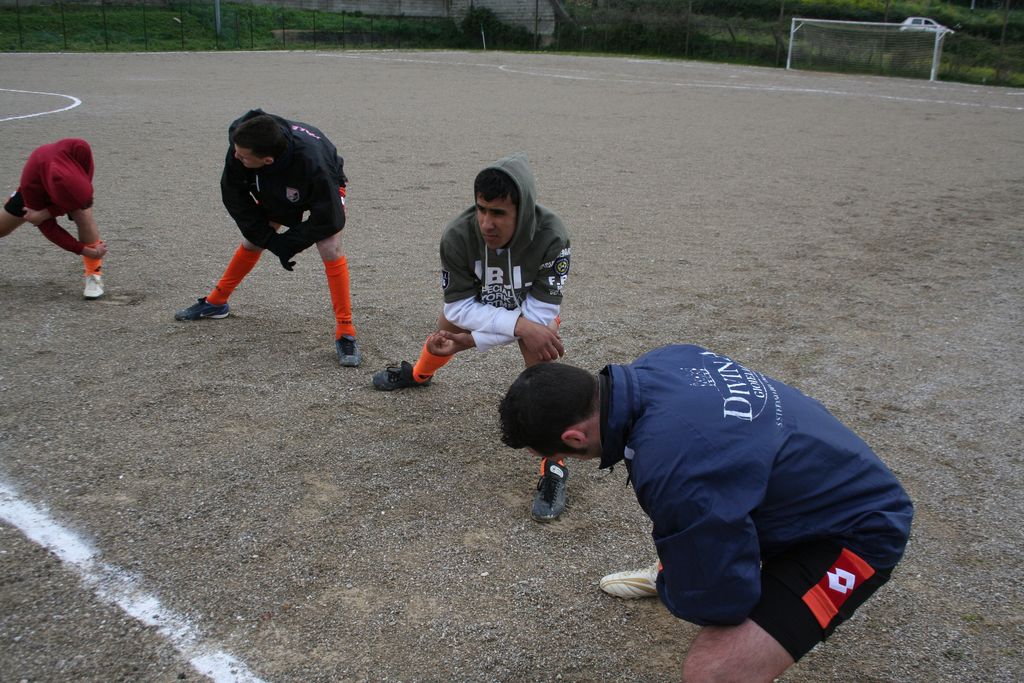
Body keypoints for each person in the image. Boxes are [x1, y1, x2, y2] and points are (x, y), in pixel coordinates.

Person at [499, 344, 913, 681]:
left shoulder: (674, 465)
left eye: (560, 455)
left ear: (574, 438)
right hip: (823, 473)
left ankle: (679, 571)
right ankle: (683, 564)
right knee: (698, 520)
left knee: (712, 672)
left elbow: (724, 602)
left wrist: (680, 587)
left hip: (857, 527)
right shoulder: (666, 359)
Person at [372, 152, 572, 521]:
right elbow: (459, 308)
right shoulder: (457, 235)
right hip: (485, 306)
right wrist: (510, 327)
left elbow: (539, 319)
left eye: (499, 213)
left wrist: (482, 339)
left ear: (524, 211)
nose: (486, 223)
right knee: (445, 330)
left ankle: (554, 464)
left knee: (541, 354)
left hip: (530, 314)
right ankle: (419, 374)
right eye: (481, 209)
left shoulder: (552, 236)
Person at [175, 109, 361, 367]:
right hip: (274, 180)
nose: (235, 157)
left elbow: (329, 218)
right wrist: (273, 241)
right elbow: (235, 198)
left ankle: (345, 330)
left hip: (316, 184)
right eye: (236, 152)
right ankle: (216, 302)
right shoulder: (242, 144)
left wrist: (291, 243)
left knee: (330, 246)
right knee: (254, 240)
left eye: (243, 156)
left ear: (267, 159)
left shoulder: (315, 164)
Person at [1, 138, 108, 299]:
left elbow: (86, 181)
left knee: (84, 214)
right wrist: (86, 251)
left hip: (69, 191)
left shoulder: (79, 147)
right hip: (37, 188)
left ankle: (94, 273)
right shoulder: (31, 188)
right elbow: (49, 229)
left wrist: (51, 211)